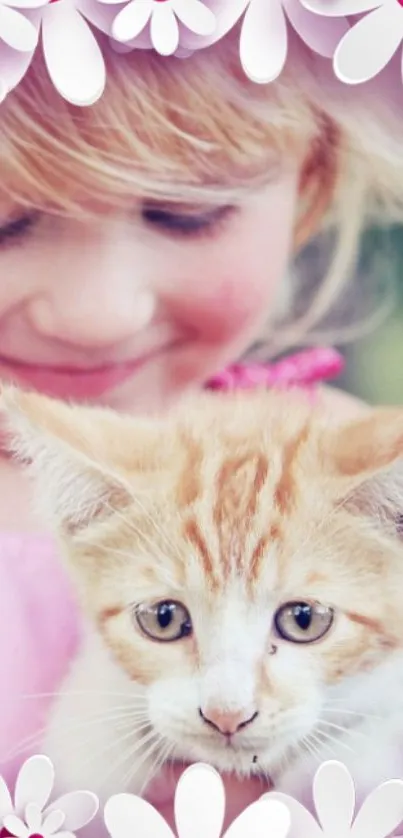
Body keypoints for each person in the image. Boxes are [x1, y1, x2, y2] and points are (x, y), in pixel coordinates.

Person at [0, 21, 402, 831]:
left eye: (188, 212)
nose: (96, 314)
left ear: (311, 183)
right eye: (3, 224)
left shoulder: (359, 475)